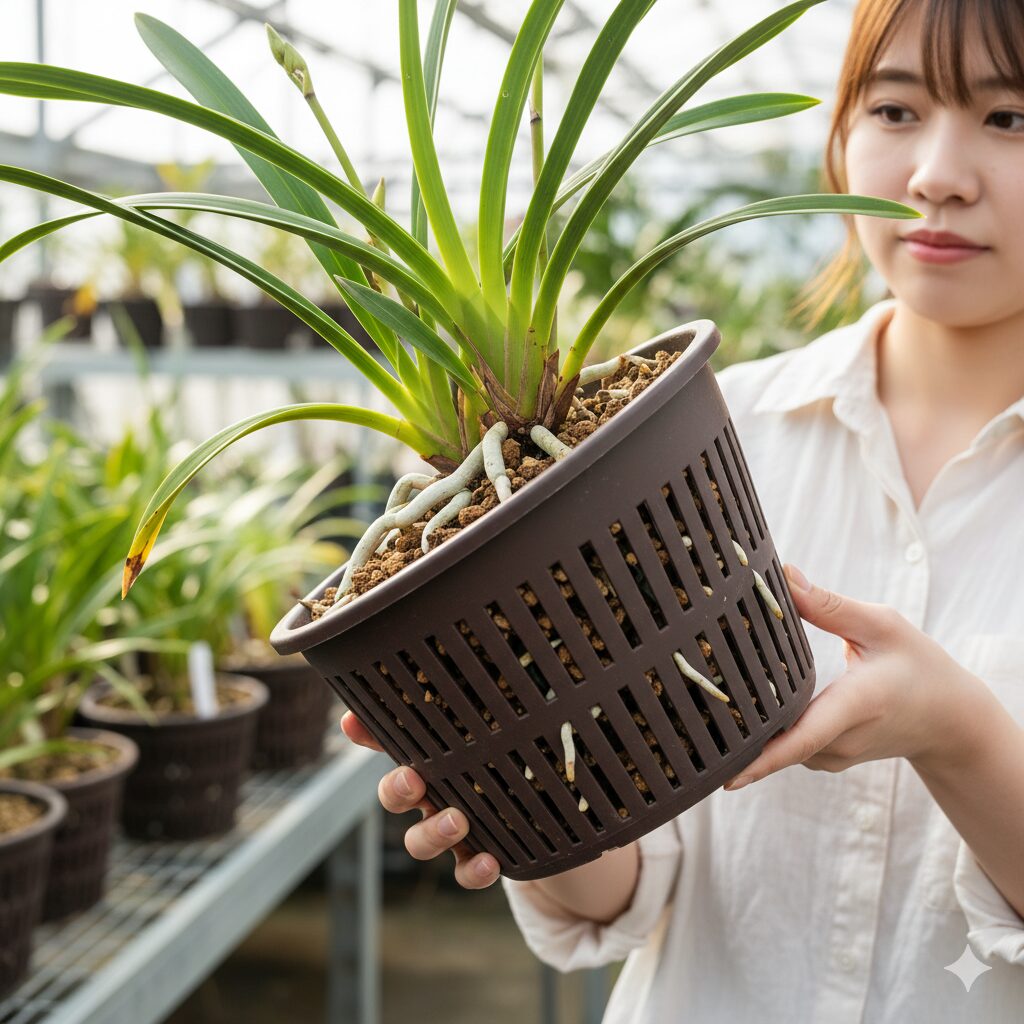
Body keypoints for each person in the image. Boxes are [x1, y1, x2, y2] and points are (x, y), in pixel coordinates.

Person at [341, 0, 1024, 1018]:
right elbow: (628, 879)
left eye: (1009, 119)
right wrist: (517, 786)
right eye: (892, 109)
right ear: (837, 136)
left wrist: (956, 734)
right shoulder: (696, 438)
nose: (936, 174)